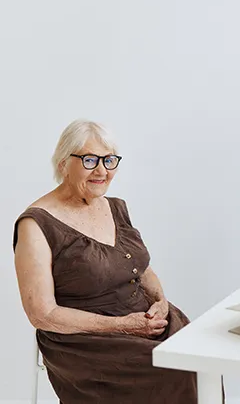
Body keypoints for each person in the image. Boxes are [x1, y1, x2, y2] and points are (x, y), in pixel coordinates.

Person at [14, 120, 197, 404]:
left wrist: (160, 300)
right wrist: (123, 326)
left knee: (201, 359)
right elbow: (41, 314)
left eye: (109, 160)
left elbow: (141, 268)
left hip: (142, 320)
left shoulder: (116, 207)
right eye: (89, 160)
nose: (102, 171)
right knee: (173, 374)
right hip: (84, 340)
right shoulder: (36, 224)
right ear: (63, 163)